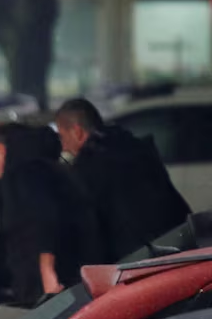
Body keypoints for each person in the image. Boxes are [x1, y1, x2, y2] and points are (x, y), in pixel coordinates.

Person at [0, 122, 103, 304]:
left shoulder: (26, 174)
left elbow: (46, 219)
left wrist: (48, 273)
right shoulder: (49, 169)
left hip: (51, 287)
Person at [55, 98, 190, 260]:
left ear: (77, 131)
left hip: (138, 258)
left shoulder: (89, 166)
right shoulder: (134, 146)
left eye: (62, 137)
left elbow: (92, 231)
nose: (63, 146)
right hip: (177, 242)